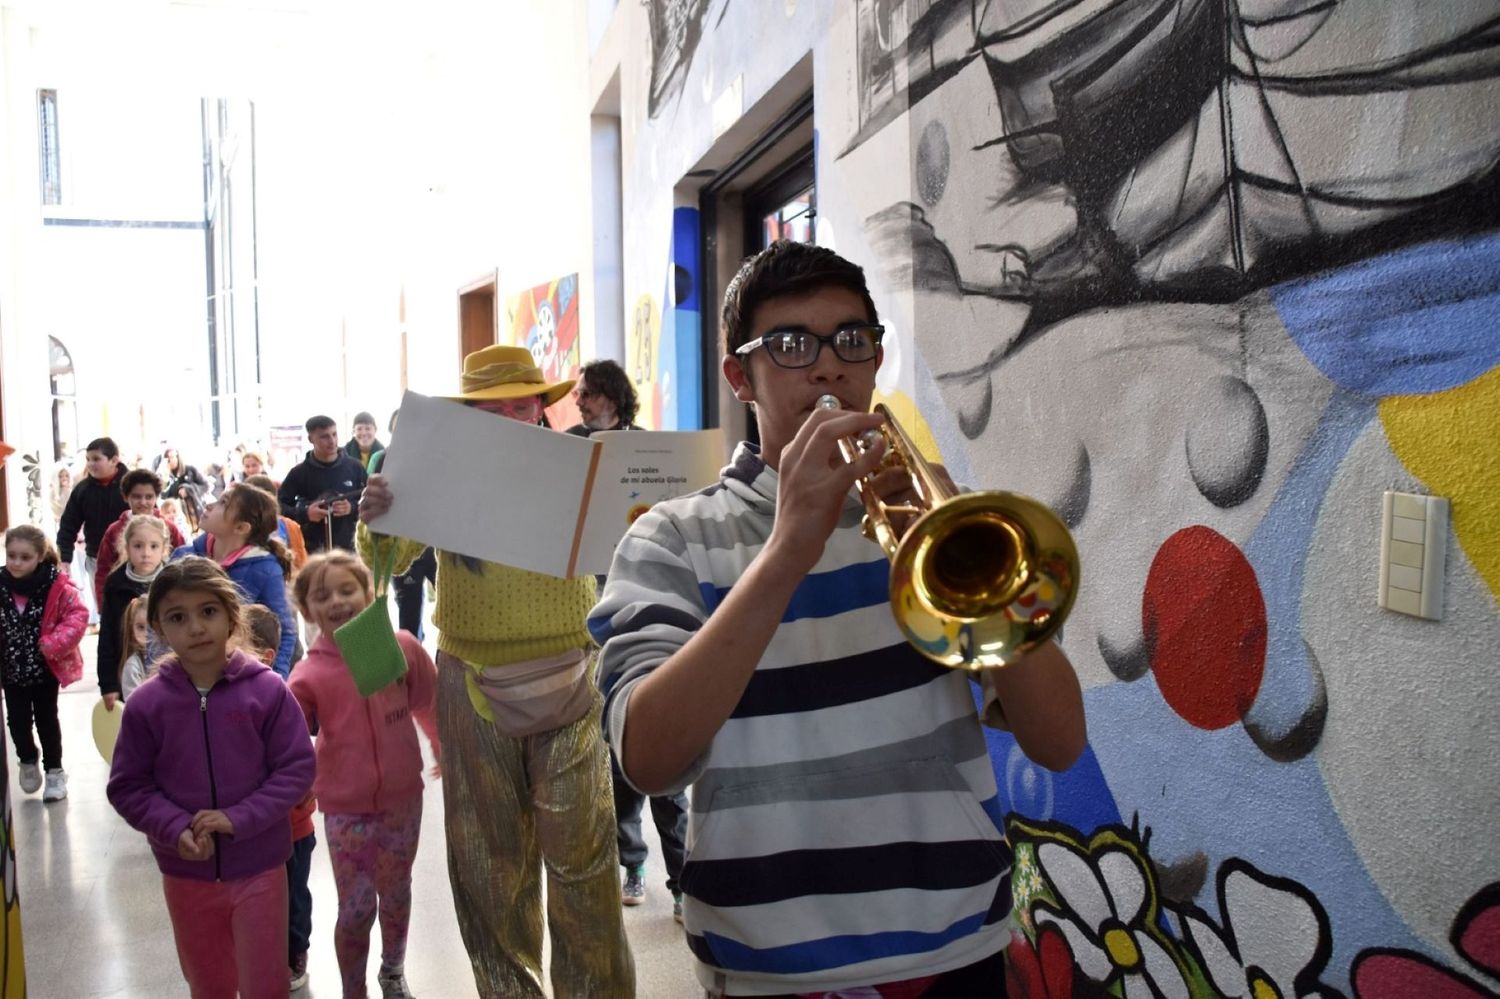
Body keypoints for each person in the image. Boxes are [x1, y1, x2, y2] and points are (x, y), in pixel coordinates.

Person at [591, 241, 1088, 997]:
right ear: (739, 376)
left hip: (955, 949)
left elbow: (1059, 741)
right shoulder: (671, 539)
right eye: (791, 345)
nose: (828, 367)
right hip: (768, 968)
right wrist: (789, 548)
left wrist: (969, 561)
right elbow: (649, 756)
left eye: (851, 340)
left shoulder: (928, 531)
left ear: (875, 359)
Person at [357, 344, 634, 997]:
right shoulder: (443, 475)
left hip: (574, 671)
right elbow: (391, 564)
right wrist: (377, 515)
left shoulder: (580, 467)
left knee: (585, 866)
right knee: (489, 865)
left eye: (523, 402)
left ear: (541, 404)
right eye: (494, 407)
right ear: (470, 416)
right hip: (472, 678)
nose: (512, 416)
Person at [107, 557, 316, 998]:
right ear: (160, 628)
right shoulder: (148, 704)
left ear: (231, 615)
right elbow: (128, 785)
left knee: (266, 984)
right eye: (178, 617)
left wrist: (238, 818)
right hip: (186, 872)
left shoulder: (267, 690)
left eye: (208, 611)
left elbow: (296, 767)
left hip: (261, 866)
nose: (196, 627)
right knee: (208, 984)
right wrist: (175, 826)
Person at [563, 359, 688, 915]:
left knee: (669, 740)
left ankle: (682, 877)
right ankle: (632, 862)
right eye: (578, 395)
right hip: (593, 607)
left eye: (587, 394)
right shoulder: (567, 448)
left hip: (651, 600)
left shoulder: (648, 449)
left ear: (613, 395)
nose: (580, 403)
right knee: (619, 750)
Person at [290, 552, 441, 999]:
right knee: (355, 910)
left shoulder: (398, 647)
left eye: (347, 589)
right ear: (307, 610)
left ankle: (392, 970)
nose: (336, 601)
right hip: (344, 807)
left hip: (401, 799)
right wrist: (295, 791)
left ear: (370, 593)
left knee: (396, 893)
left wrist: (441, 745)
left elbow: (428, 700)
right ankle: (352, 988)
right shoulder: (308, 674)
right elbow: (289, 743)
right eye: (322, 595)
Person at [240, 603, 317, 994]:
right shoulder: (229, 700)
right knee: (261, 898)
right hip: (251, 830)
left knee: (293, 896)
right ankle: (265, 955)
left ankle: (294, 953)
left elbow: (303, 766)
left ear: (266, 656)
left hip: (292, 827)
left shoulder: (282, 699)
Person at [0, 525, 87, 801]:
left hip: (44, 669)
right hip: (11, 670)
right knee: (17, 721)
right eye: (11, 555)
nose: (16, 562)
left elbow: (77, 615)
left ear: (39, 556)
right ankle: (27, 758)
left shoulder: (56, 585)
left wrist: (55, 642)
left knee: (47, 720)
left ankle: (54, 772)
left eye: (24, 557)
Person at [173, 486, 299, 678]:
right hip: (183, 674)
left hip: (234, 679)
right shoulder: (183, 557)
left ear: (241, 528)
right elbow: (158, 617)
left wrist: (276, 681)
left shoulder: (265, 570)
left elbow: (285, 632)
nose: (208, 505)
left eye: (223, 503)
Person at [366, 412, 435, 640]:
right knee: (408, 619)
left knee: (455, 607)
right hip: (403, 544)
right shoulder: (382, 459)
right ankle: (412, 666)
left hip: (440, 548)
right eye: (399, 430)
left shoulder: (441, 459)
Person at [98, 515, 173, 710]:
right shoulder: (116, 584)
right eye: (138, 546)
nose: (146, 553)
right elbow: (107, 636)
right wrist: (108, 684)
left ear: (164, 549)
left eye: (154, 546)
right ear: (127, 547)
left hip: (171, 669)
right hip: (131, 673)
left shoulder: (173, 581)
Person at [56, 436, 130, 623]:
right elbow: (68, 525)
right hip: (96, 559)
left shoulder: (131, 485)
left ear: (114, 460)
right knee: (106, 610)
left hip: (131, 557)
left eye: (96, 459)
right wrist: (65, 558)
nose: (91, 464)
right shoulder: (82, 490)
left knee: (132, 609)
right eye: (88, 459)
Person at [94, 468, 187, 609]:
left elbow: (183, 559)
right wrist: (104, 605)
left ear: (156, 497)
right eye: (137, 497)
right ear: (126, 497)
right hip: (125, 600)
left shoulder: (169, 527)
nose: (143, 502)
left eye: (149, 497)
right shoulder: (114, 530)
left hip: (164, 597)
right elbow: (103, 569)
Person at [279, 416, 368, 555]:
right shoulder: (299, 472)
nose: (332, 441)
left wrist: (352, 507)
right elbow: (278, 507)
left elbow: (372, 502)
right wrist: (306, 513)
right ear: (311, 439)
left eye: (334, 434)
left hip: (351, 549)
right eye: (324, 437)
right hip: (312, 550)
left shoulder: (355, 467)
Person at [564, 359, 642, 437]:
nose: (578, 402)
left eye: (585, 394)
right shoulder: (568, 439)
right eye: (576, 394)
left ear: (613, 399)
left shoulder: (642, 440)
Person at [159, 446, 211, 529]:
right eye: (168, 458)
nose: (171, 460)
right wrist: (165, 477)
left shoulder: (190, 470)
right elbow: (163, 495)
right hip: (177, 515)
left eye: (173, 457)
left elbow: (205, 486)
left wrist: (188, 489)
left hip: (194, 512)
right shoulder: (165, 476)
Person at [118, 596, 154, 700]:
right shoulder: (133, 666)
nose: (147, 633)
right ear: (132, 630)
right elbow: (135, 707)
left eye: (152, 626)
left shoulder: (177, 658)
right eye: (141, 627)